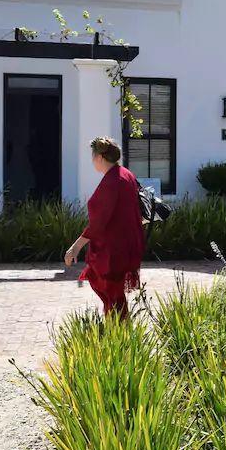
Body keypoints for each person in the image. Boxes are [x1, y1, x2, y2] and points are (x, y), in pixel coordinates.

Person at [64, 136, 145, 318]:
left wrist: (75, 247)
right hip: (123, 244)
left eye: (93, 156)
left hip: (112, 249)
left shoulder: (113, 182)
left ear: (100, 157)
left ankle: (118, 338)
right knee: (113, 296)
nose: (92, 160)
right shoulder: (124, 174)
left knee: (112, 294)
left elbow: (98, 224)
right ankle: (118, 336)